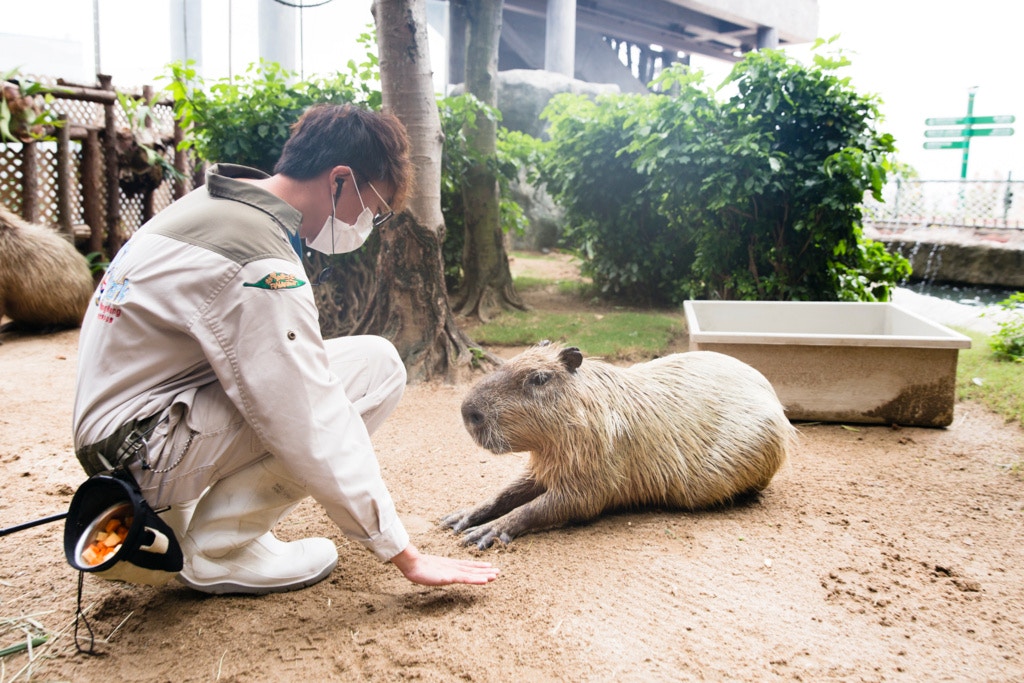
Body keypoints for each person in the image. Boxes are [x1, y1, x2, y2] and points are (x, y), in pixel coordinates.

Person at [72, 103, 499, 594]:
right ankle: (216, 551)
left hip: (120, 432)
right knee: (364, 379)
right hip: (142, 449)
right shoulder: (257, 259)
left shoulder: (211, 207)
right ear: (339, 180)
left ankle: (190, 518)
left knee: (369, 361)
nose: (366, 225)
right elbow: (307, 415)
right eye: (372, 210)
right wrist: (403, 552)